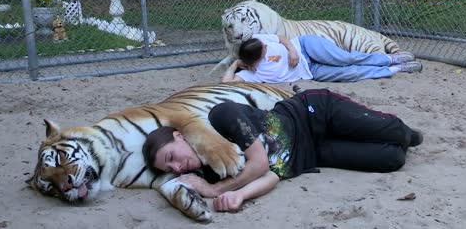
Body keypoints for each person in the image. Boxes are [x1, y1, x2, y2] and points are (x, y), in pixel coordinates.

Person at [142, 88, 424, 212]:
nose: (178, 168)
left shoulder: (220, 117)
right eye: (170, 169)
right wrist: (238, 195)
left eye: (171, 158)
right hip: (314, 153)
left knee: (398, 134)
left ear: (179, 136)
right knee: (391, 159)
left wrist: (217, 191)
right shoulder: (214, 172)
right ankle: (397, 142)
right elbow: (274, 174)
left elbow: (261, 163)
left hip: (313, 112)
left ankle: (407, 132)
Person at [221, 34, 423, 83]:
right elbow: (226, 84)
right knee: (350, 73)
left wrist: (292, 51)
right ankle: (395, 70)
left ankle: (390, 59)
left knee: (345, 59)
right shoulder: (252, 74)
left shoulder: (257, 40)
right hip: (309, 72)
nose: (266, 45)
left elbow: (281, 38)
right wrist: (236, 64)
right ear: (256, 58)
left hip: (304, 47)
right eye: (264, 49)